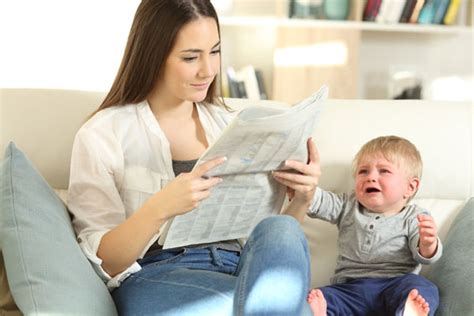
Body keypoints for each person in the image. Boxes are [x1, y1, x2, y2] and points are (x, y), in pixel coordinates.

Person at [67, 0, 318, 315]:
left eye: (214, 51)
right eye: (190, 57)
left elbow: (269, 254)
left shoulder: (233, 127)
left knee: (282, 230)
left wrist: (302, 200)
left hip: (241, 268)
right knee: (283, 309)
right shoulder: (103, 134)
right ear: (153, 56)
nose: (208, 70)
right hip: (158, 276)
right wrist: (160, 208)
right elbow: (105, 261)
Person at [273, 136, 442, 316]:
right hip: (349, 290)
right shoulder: (348, 206)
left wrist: (427, 244)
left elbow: (426, 256)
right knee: (318, 296)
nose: (371, 178)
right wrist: (304, 188)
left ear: (410, 187)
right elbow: (320, 200)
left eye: (383, 171)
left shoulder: (415, 216)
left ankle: (407, 313)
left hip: (394, 286)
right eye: (363, 172)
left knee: (424, 288)